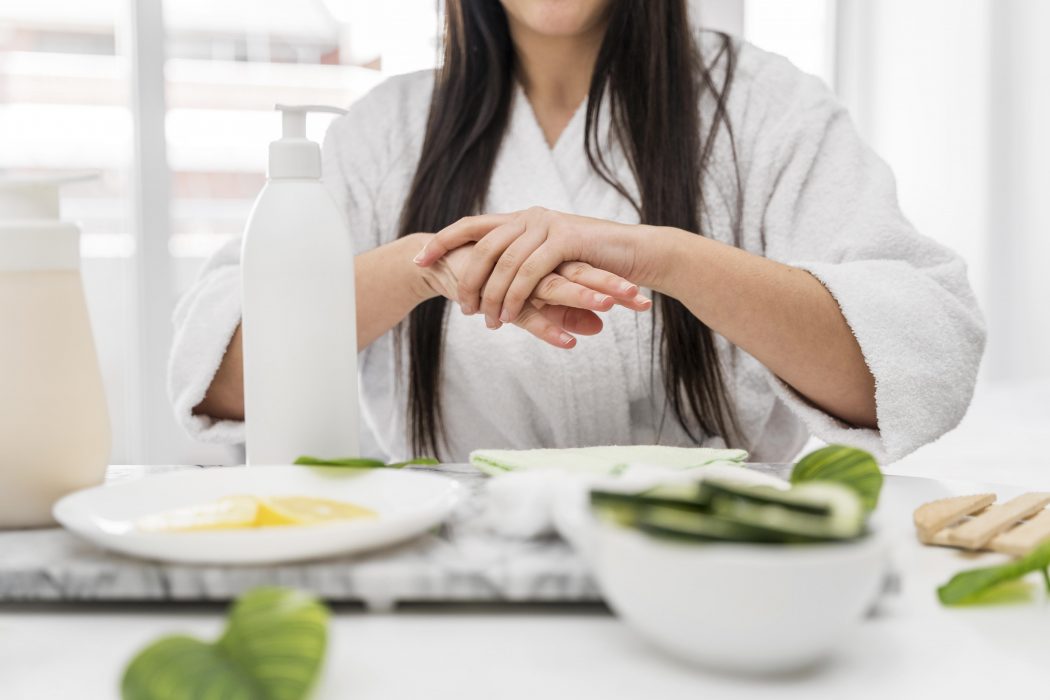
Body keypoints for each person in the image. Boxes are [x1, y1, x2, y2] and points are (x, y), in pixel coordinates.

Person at [168, 0, 985, 464]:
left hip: (718, 570)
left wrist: (663, 256)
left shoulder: (771, 110)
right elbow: (223, 379)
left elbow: (917, 359)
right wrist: (425, 269)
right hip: (457, 574)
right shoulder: (383, 133)